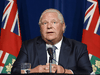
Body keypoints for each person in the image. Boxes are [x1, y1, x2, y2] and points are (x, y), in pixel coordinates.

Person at [11, 8, 92, 74]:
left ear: (63, 27)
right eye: (45, 23)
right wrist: (34, 70)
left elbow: (87, 72)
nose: (49, 26)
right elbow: (15, 71)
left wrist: (65, 71)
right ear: (40, 28)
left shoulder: (78, 48)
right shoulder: (28, 46)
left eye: (54, 22)